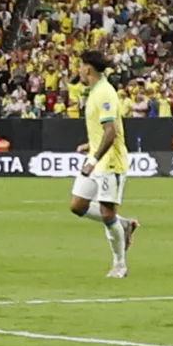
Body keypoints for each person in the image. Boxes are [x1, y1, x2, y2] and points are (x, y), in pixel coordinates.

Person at [65, 47, 139, 277]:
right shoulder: (95, 91)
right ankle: (124, 224)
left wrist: (94, 158)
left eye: (80, 66)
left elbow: (111, 131)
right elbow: (103, 130)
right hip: (96, 158)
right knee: (77, 206)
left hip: (110, 163)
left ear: (88, 68)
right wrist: (90, 146)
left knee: (107, 215)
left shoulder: (104, 93)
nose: (79, 71)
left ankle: (120, 264)